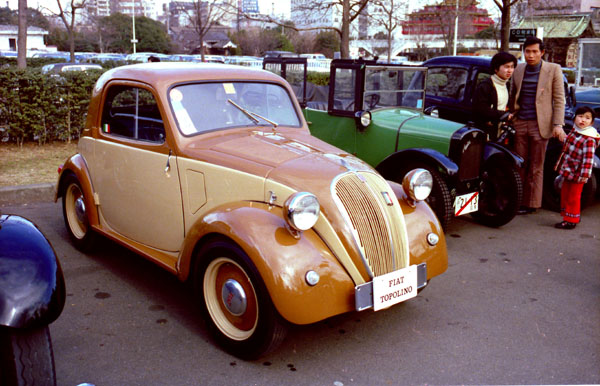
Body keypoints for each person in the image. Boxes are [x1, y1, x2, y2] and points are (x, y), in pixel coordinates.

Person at [510, 36, 566, 215]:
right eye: (527, 51)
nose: (531, 55)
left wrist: (558, 124)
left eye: (535, 51)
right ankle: (518, 200)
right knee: (519, 164)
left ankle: (532, 204)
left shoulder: (553, 69)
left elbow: (559, 99)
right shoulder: (518, 69)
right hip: (520, 122)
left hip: (540, 125)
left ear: (542, 53)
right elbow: (512, 95)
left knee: (536, 166)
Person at [554, 106, 599, 229]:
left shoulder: (589, 139)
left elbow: (588, 160)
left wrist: (584, 176)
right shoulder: (576, 132)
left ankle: (570, 220)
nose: (582, 120)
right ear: (575, 118)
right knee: (566, 193)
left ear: (591, 122)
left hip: (578, 174)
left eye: (587, 118)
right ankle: (569, 216)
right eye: (580, 116)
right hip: (569, 170)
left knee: (573, 197)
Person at [473, 51, 518, 140]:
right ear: (496, 69)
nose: (510, 70)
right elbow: (480, 109)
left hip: (501, 131)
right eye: (506, 67)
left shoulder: (507, 85)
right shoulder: (486, 86)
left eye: (512, 67)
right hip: (486, 132)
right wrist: (503, 115)